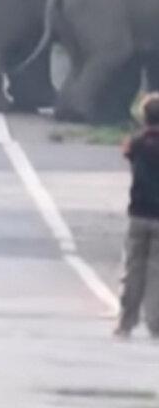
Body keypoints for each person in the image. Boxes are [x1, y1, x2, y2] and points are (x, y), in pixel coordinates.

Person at [114, 93, 159, 339]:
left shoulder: (137, 142)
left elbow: (127, 154)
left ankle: (126, 322)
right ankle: (156, 323)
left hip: (138, 212)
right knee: (156, 271)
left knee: (133, 269)